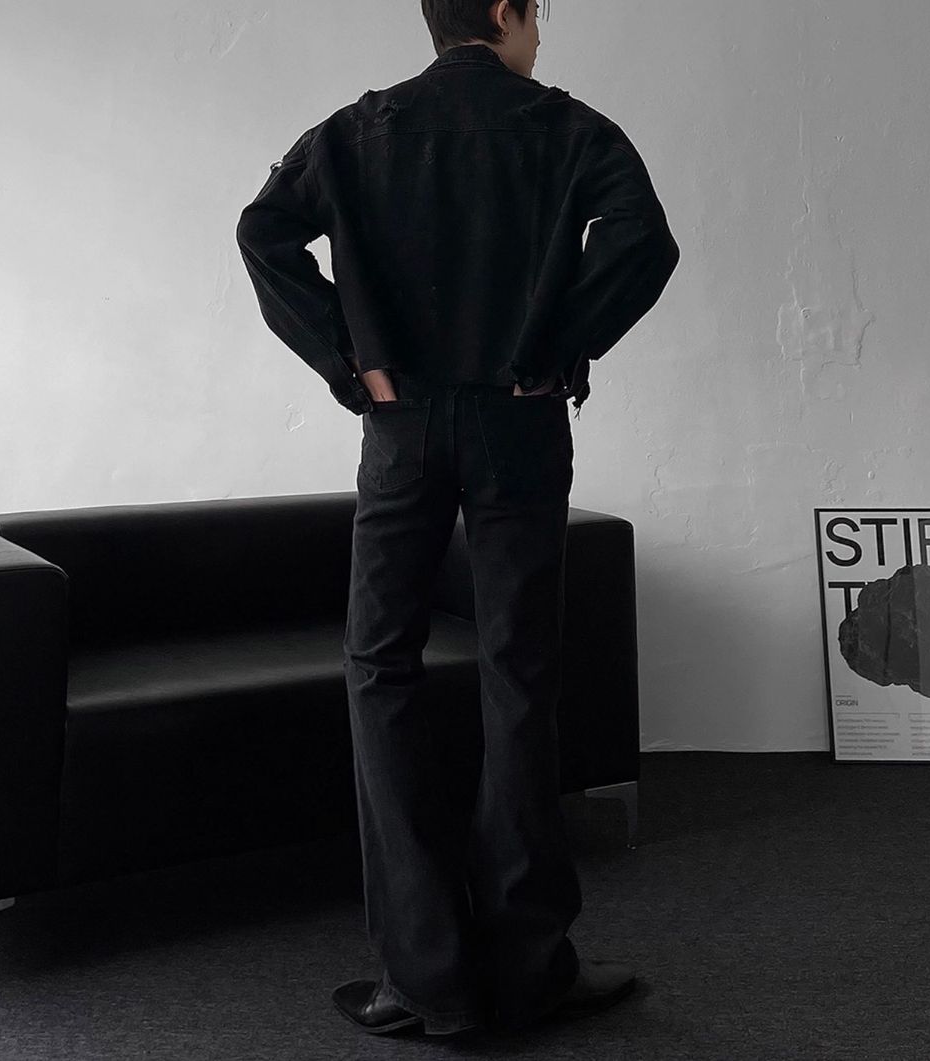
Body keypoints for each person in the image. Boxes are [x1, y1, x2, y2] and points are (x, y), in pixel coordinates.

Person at [235, 0, 680, 1040]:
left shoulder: (355, 131)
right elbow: (646, 243)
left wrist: (351, 361)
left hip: (400, 428)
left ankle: (425, 975)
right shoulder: (567, 126)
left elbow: (262, 232)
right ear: (505, 13)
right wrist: (556, 346)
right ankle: (529, 966)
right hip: (518, 424)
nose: (541, 34)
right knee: (518, 668)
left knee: (379, 666)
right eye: (537, 14)